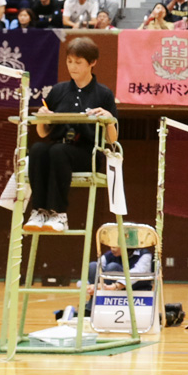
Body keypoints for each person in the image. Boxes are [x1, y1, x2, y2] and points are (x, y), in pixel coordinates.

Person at [20, 38, 117, 234]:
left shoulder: (104, 94)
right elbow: (42, 133)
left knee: (58, 151)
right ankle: (39, 211)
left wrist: (109, 119)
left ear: (92, 63)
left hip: (86, 154)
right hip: (58, 148)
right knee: (38, 149)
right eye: (69, 61)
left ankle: (59, 214)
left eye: (78, 62)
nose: (73, 67)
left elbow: (112, 139)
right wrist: (43, 118)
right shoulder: (58, 91)